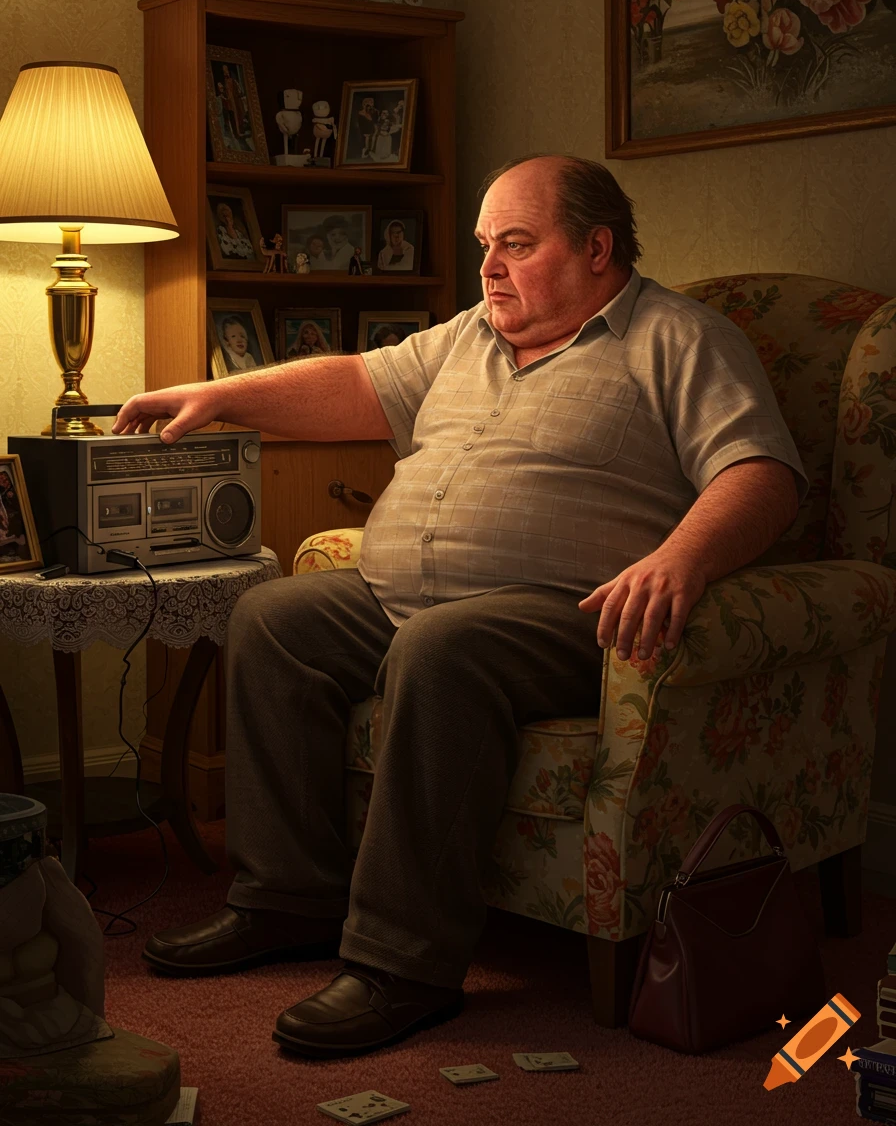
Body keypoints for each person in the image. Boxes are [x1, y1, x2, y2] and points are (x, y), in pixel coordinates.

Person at [113, 154, 807, 1061]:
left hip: (569, 614)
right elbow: (354, 384)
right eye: (485, 244)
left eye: (516, 244)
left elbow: (763, 472)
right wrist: (218, 396)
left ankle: (403, 964)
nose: (488, 267)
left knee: (441, 647)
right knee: (275, 619)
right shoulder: (470, 336)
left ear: (597, 249)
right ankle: (287, 900)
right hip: (400, 597)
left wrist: (680, 558)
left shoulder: (677, 339)